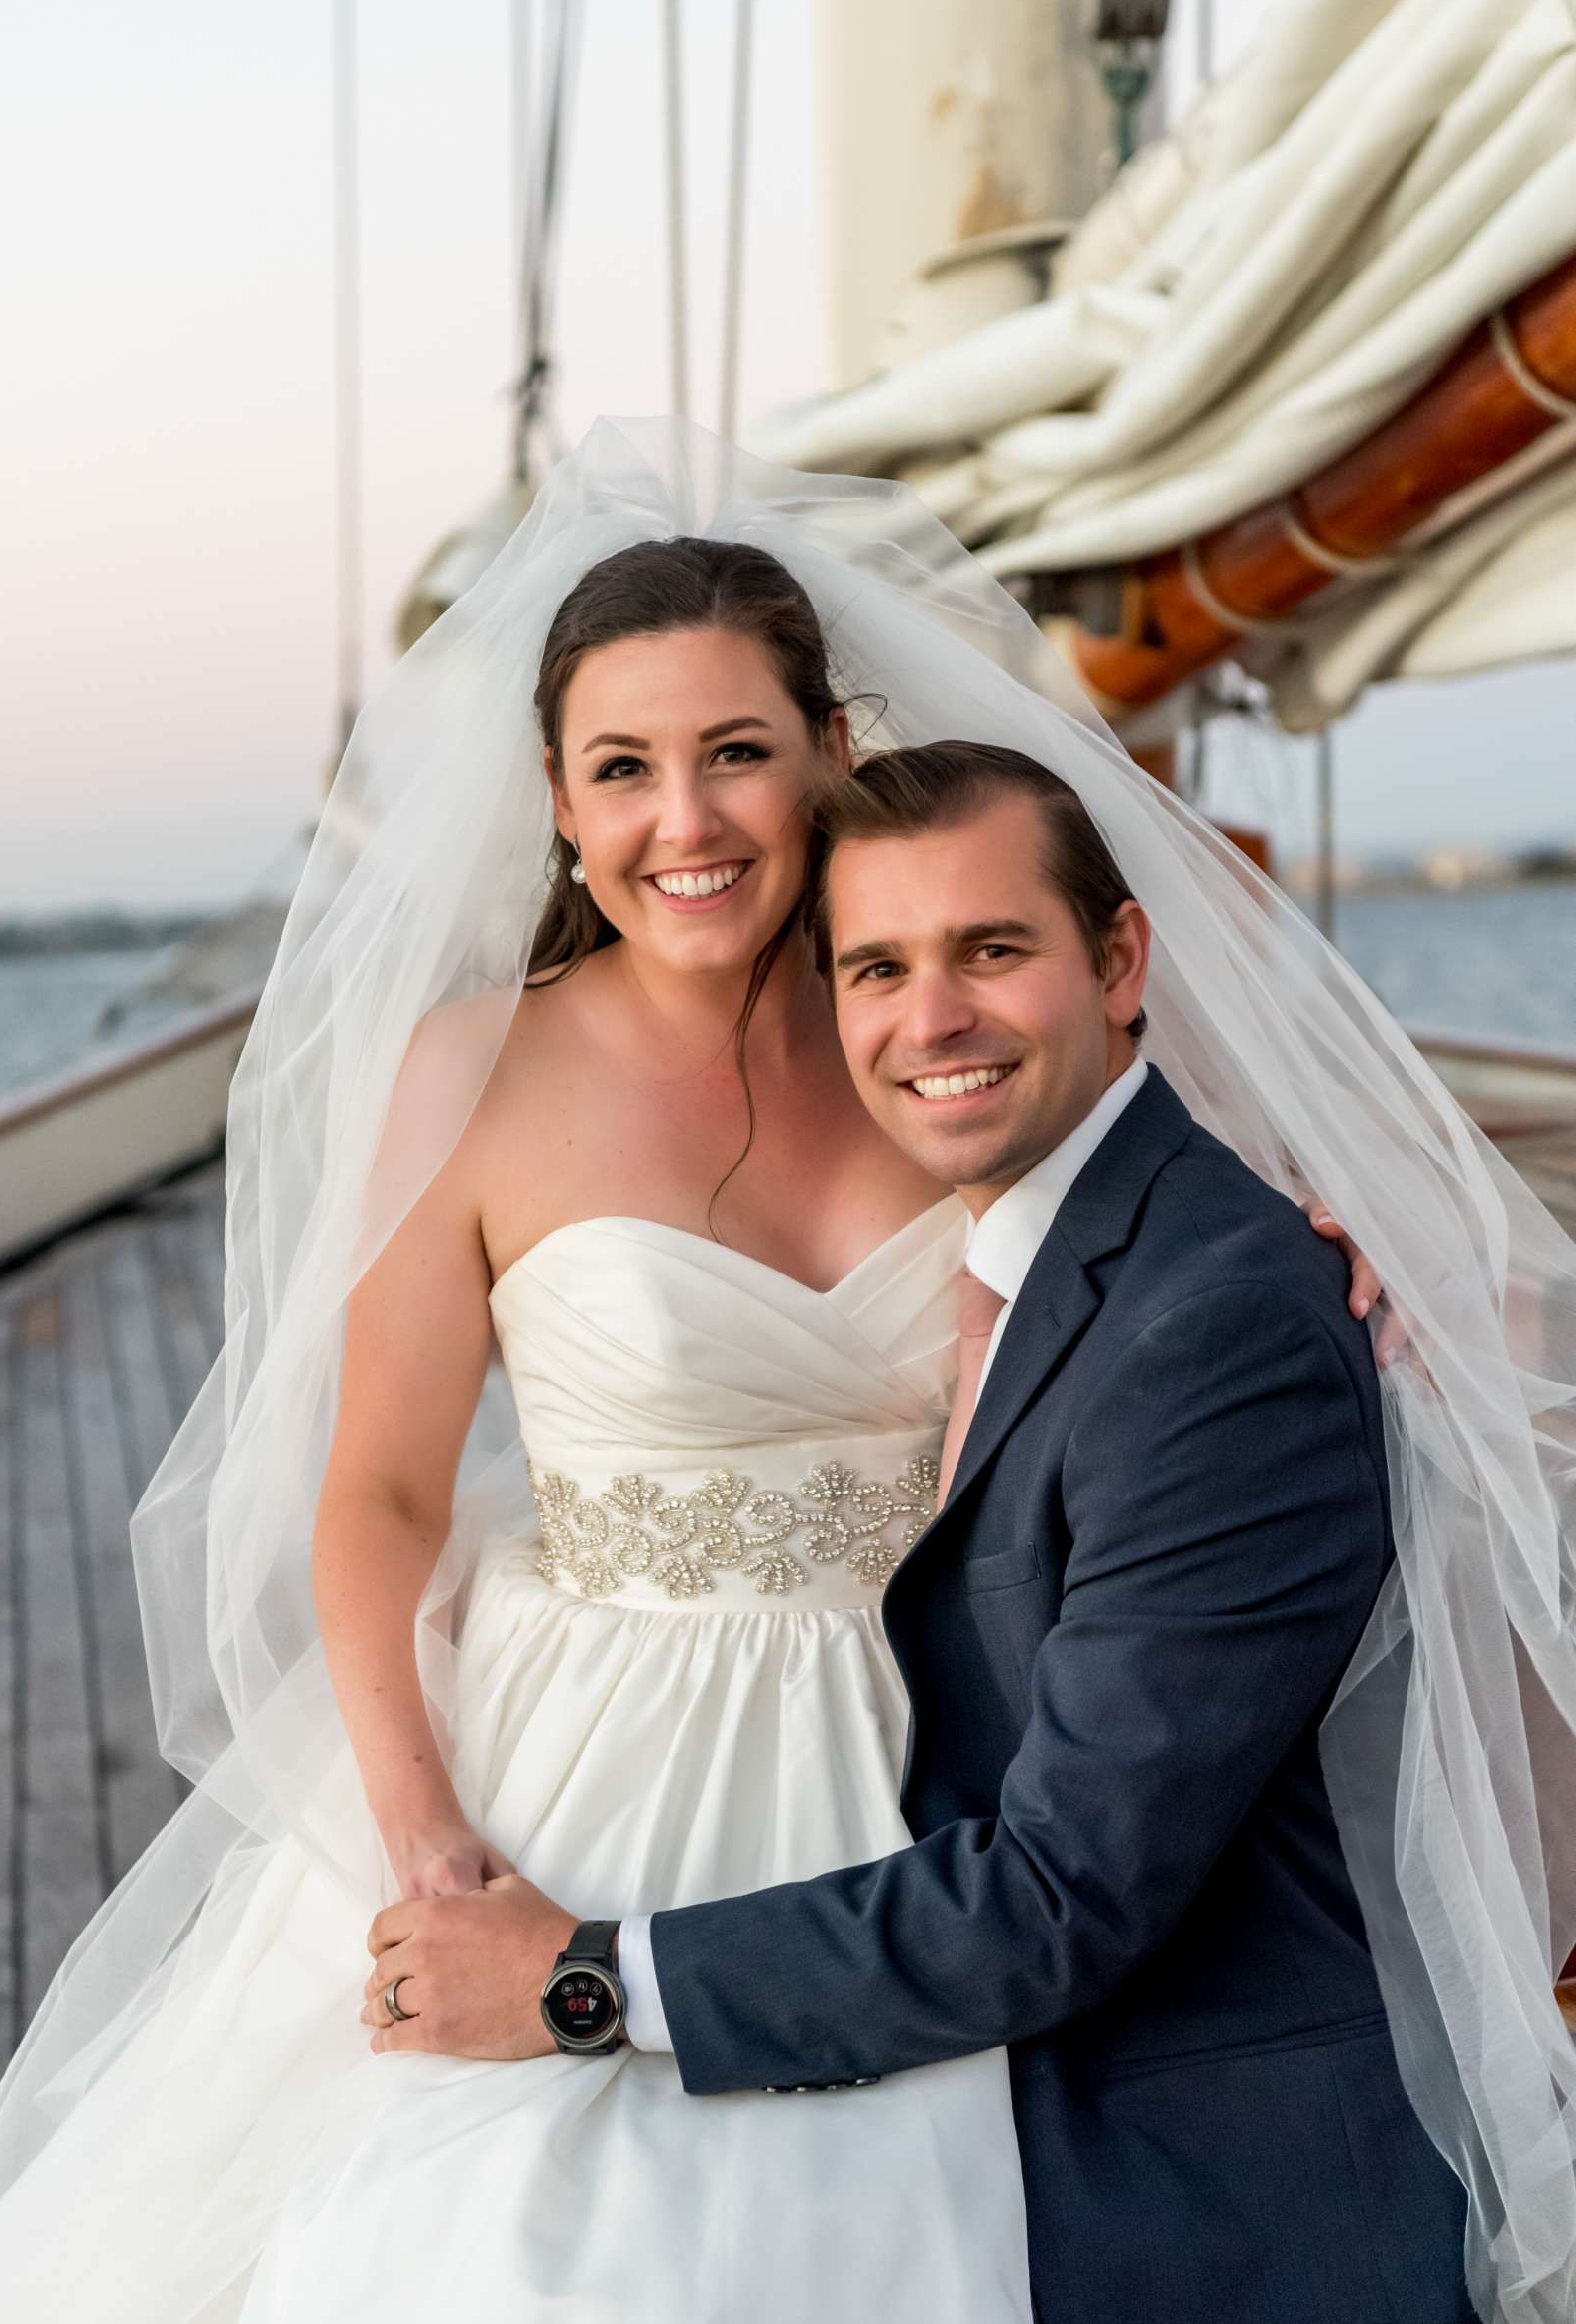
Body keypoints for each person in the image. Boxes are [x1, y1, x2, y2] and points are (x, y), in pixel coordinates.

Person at [0, 419, 1571, 2324]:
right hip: (584, 1739)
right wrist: (427, 1837)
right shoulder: (472, 1069)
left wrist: (1333, 1242)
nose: (690, 819)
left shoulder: (926, 1023)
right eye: (625, 771)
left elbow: (1164, 1218)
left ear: (832, 750)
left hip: (938, 1716)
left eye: (738, 750)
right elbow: (383, 1490)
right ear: (558, 808)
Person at [368, 738, 1474, 2324]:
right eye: (874, 966)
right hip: (927, 1967)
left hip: (1191, 2175)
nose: (928, 1019)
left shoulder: (1211, 1326)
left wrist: (577, 1979)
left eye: (991, 951)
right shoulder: (1059, 1237)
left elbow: (1063, 1897)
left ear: (1118, 958)